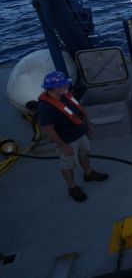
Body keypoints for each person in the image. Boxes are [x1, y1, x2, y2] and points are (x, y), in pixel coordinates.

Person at [36, 71, 108, 202]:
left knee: (85, 154)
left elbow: (78, 111)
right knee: (67, 165)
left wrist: (88, 125)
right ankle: (72, 187)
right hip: (67, 141)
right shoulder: (44, 108)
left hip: (80, 133)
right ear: (55, 88)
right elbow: (48, 130)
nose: (67, 86)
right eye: (64, 84)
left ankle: (89, 173)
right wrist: (63, 146)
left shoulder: (66, 96)